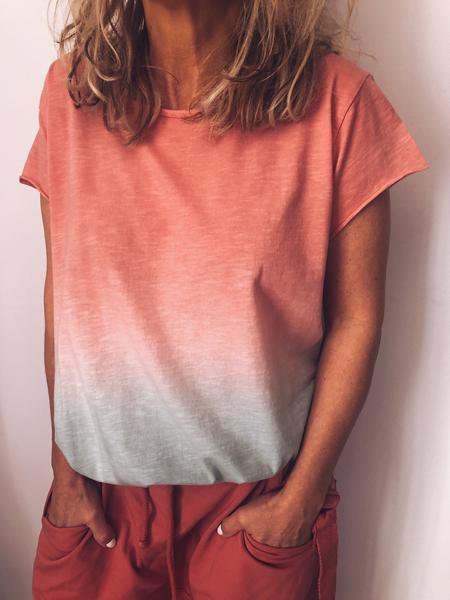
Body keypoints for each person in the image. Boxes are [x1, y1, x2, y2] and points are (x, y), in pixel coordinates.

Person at [18, 1, 429, 598]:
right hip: (98, 510)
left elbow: (356, 317)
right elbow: (65, 293)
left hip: (253, 514)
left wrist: (301, 498)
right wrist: (66, 474)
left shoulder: (337, 103)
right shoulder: (72, 95)